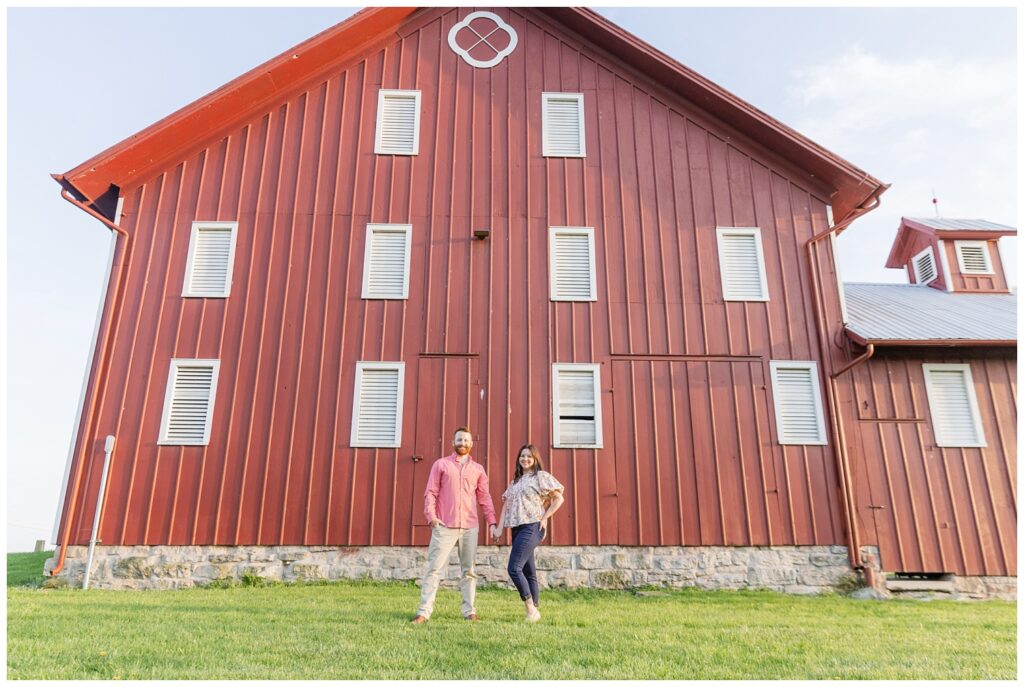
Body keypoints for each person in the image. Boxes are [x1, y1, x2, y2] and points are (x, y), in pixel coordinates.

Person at [411, 427, 497, 623]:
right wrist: (431, 516)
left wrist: (492, 521)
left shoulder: (478, 470)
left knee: (469, 571)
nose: (463, 443)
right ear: (453, 442)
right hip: (444, 525)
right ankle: (424, 612)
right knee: (434, 569)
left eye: (466, 440)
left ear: (471, 444)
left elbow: (484, 497)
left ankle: (469, 611)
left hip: (469, 527)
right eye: (459, 439)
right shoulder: (441, 465)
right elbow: (431, 492)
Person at [491, 444, 564, 622]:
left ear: (535, 459)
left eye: (529, 456)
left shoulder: (540, 477)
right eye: (522, 456)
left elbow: (558, 498)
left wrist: (545, 517)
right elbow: (506, 505)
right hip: (516, 528)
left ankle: (531, 610)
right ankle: (535, 612)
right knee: (528, 570)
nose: (525, 459)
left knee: (513, 568)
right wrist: (499, 528)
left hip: (532, 526)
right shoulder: (514, 482)